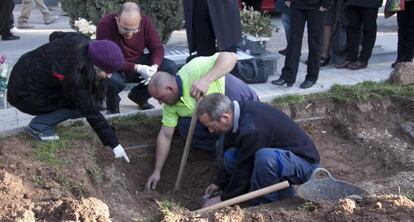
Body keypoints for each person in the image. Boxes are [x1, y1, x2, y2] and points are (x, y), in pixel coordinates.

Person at [7, 32, 130, 162]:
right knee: (76, 105)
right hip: (24, 93)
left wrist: (49, 64)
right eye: (107, 71)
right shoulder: (75, 75)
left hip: (24, 69)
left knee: (83, 98)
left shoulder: (80, 40)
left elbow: (54, 36)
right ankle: (40, 126)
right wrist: (115, 145)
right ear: (95, 65)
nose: (110, 75)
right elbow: (91, 112)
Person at [145, 52, 259, 191]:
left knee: (246, 145)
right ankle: (223, 149)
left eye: (160, 98)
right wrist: (157, 171)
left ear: (170, 88)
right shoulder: (170, 105)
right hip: (218, 121)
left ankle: (241, 156)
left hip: (239, 103)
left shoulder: (194, 68)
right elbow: (165, 135)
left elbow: (232, 57)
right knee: (184, 126)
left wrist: (207, 79)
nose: (159, 102)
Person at [197, 93, 320, 206]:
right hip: (278, 158)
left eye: (211, 126)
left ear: (225, 117)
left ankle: (266, 204)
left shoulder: (252, 129)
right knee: (230, 155)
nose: (211, 131)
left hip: (303, 164)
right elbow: (242, 160)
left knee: (265, 158)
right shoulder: (235, 114)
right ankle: (266, 192)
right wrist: (220, 183)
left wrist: (223, 199)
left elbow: (245, 166)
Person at [96, 2, 177, 113]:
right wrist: (137, 68)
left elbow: (157, 48)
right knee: (112, 80)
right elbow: (108, 58)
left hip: (136, 61)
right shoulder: (105, 24)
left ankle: (139, 96)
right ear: (117, 19)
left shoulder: (145, 22)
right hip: (114, 66)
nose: (129, 34)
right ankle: (112, 108)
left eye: (134, 30)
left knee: (169, 67)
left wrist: (154, 66)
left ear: (139, 21)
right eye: (125, 29)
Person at [272, 0, 332, 89]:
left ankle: (312, 77)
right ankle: (287, 75)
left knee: (314, 42)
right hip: (297, 4)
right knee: (293, 40)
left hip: (317, 5)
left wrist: (326, 3)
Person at [335, 0, 383, 70]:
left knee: (369, 29)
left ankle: (363, 59)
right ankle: (351, 58)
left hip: (370, 3)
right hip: (352, 2)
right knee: (351, 27)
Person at [392, 0, 414, 68]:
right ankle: (400, 57)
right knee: (402, 28)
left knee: (411, 29)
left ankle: (408, 57)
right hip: (401, 1)